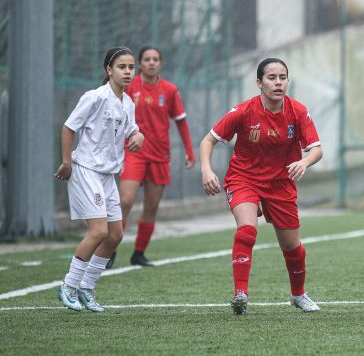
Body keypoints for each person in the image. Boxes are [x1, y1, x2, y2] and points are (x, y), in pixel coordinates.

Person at [199, 57, 322, 315]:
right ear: (259, 83)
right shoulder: (243, 112)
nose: (278, 83)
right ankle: (240, 294)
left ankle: (298, 295)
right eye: (271, 78)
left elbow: (317, 150)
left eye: (282, 77)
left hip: (280, 184)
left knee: (292, 247)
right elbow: (207, 141)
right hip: (244, 179)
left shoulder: (298, 111)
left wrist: (304, 161)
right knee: (247, 231)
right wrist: (207, 169)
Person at [54, 46, 145, 312]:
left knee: (115, 234)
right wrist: (67, 162)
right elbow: (69, 127)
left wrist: (138, 135)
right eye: (122, 67)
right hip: (86, 170)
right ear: (109, 70)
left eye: (131, 67)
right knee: (99, 231)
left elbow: (132, 131)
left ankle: (86, 288)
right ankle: (68, 286)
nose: (128, 72)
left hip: (108, 175)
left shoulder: (128, 103)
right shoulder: (94, 97)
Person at [108, 46, 195, 269]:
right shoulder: (129, 86)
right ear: (139, 63)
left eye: (156, 59)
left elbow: (181, 121)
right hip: (134, 152)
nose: (151, 63)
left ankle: (138, 253)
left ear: (161, 63)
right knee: (125, 201)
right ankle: (110, 250)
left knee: (151, 206)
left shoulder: (170, 90)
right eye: (147, 59)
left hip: (160, 154)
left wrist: (189, 150)